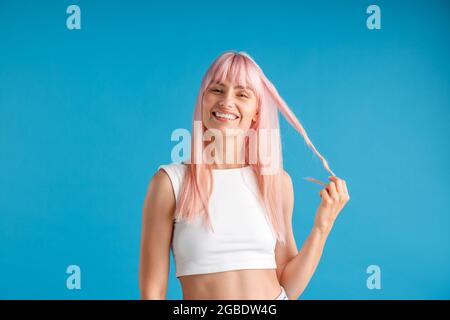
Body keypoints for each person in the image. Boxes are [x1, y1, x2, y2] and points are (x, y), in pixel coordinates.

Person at [139, 51, 350, 300]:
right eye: (217, 90)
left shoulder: (276, 182)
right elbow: (152, 291)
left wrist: (322, 226)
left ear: (256, 113)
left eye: (242, 94)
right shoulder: (169, 182)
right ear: (203, 100)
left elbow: (289, 287)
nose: (227, 101)